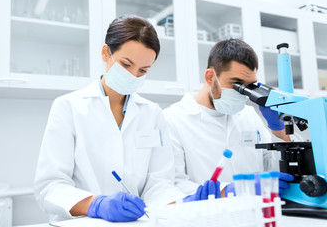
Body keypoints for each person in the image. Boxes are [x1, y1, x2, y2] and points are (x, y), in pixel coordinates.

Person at [34, 15, 220, 223]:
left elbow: (158, 183)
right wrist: (96, 204)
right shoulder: (69, 107)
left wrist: (180, 203)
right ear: (106, 53)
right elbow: (50, 186)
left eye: (143, 70)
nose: (133, 75)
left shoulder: (152, 114)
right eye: (125, 64)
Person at [163, 39, 294, 197]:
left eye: (249, 86)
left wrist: (279, 130)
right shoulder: (173, 119)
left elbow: (275, 171)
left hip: (258, 214)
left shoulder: (249, 115)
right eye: (236, 84)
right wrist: (229, 190)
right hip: (211, 216)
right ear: (210, 77)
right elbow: (174, 184)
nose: (242, 92)